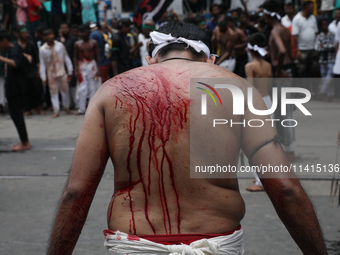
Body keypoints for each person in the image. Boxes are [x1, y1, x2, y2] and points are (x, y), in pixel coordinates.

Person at [47, 21, 327, 255]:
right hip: (216, 244)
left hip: (133, 245)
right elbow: (285, 189)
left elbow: (76, 193)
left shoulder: (110, 91)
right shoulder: (235, 88)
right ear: (211, 59)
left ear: (151, 58)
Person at [263, 0, 297, 163]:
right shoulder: (284, 29)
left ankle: (289, 151)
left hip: (281, 73)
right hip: (289, 68)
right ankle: (288, 149)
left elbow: (283, 50)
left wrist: (278, 69)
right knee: (286, 111)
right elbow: (289, 50)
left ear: (268, 14)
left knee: (283, 113)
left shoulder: (275, 30)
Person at [245, 32, 271, 192]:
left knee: (254, 143)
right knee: (266, 141)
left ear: (250, 49)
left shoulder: (250, 66)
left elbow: (250, 89)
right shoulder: (267, 65)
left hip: (256, 104)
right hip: (268, 101)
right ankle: (261, 177)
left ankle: (261, 182)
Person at [0, 29, 31, 151]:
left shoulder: (13, 49)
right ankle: (24, 141)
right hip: (12, 88)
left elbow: (16, 63)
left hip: (16, 89)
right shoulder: (11, 50)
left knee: (17, 116)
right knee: (15, 116)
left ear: (5, 40)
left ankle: (25, 142)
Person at [39, 29, 73, 118]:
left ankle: (66, 107)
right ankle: (56, 110)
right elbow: (42, 64)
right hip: (51, 74)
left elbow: (66, 58)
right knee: (53, 92)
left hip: (61, 71)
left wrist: (70, 71)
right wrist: (43, 77)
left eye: (52, 35)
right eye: (49, 35)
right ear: (45, 37)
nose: (51, 37)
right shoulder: (43, 49)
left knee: (65, 90)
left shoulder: (60, 46)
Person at [16, 25, 44, 116]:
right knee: (24, 90)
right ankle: (28, 108)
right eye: (23, 33)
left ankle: (39, 107)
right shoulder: (16, 45)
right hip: (22, 71)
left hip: (32, 70)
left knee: (36, 89)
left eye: (26, 33)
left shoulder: (31, 43)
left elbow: (36, 58)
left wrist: (39, 70)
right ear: (19, 34)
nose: (25, 35)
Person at [74, 24, 100, 114]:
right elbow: (75, 57)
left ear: (89, 32)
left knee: (93, 87)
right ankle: (81, 109)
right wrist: (76, 69)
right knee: (82, 88)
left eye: (86, 32)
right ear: (80, 33)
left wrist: (99, 69)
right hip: (82, 65)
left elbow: (97, 55)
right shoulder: (77, 44)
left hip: (92, 65)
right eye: (82, 32)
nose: (84, 34)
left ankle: (91, 108)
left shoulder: (93, 43)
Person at [292, 1, 318, 78]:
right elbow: (295, 36)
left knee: (315, 69)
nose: (313, 9)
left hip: (313, 49)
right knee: (301, 71)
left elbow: (316, 33)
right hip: (302, 50)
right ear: (306, 8)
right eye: (312, 8)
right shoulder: (297, 19)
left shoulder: (313, 17)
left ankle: (315, 89)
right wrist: (297, 50)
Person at [57, 22, 79, 110]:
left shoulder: (73, 39)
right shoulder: (58, 40)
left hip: (72, 65)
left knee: (73, 84)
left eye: (65, 28)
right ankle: (68, 105)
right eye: (62, 28)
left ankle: (76, 103)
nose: (64, 30)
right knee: (64, 85)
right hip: (61, 66)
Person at [315, 18, 336, 101]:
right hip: (322, 59)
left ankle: (321, 92)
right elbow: (316, 47)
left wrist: (323, 46)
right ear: (320, 26)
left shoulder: (332, 34)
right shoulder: (319, 36)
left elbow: (333, 45)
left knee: (329, 76)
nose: (324, 26)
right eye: (323, 25)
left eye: (326, 24)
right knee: (324, 77)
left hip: (330, 59)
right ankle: (329, 95)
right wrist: (325, 47)